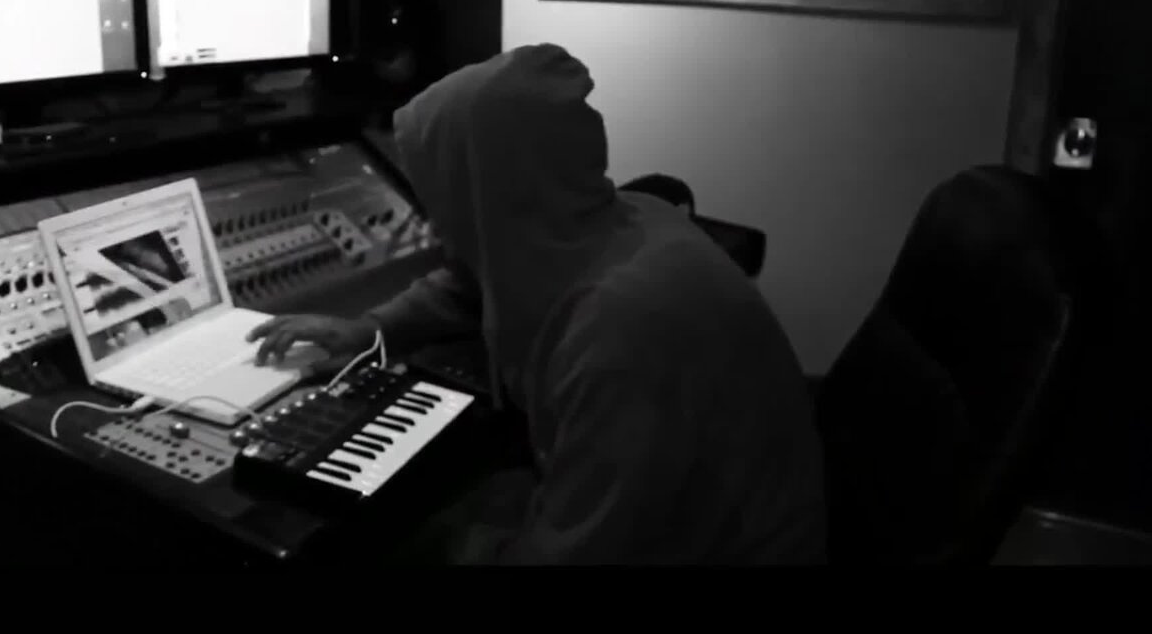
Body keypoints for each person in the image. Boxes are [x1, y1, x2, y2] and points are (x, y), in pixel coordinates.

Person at [247, 44, 826, 564]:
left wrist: (447, 545)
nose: (437, 225)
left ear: (489, 187)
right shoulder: (621, 218)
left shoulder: (616, 333)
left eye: (442, 191)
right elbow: (471, 281)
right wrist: (368, 330)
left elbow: (576, 555)